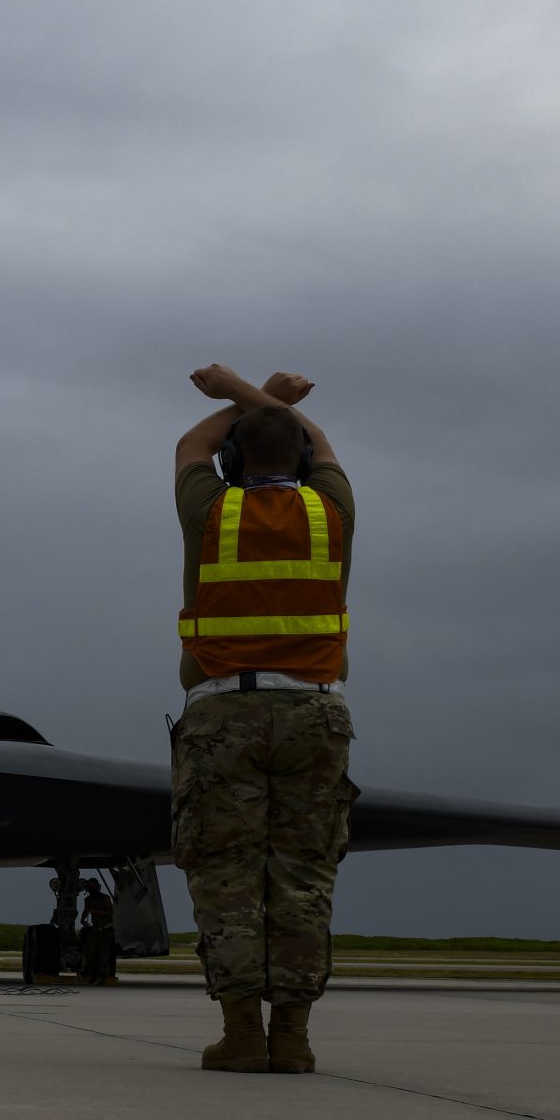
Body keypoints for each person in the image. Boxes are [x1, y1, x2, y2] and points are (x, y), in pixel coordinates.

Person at [171, 363, 357, 1074]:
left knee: (228, 873)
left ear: (234, 461)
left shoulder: (209, 512)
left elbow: (191, 443)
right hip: (315, 710)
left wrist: (242, 392)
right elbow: (323, 442)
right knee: (305, 873)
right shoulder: (331, 511)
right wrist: (268, 399)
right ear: (304, 460)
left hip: (224, 713)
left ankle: (242, 1032)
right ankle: (295, 1036)